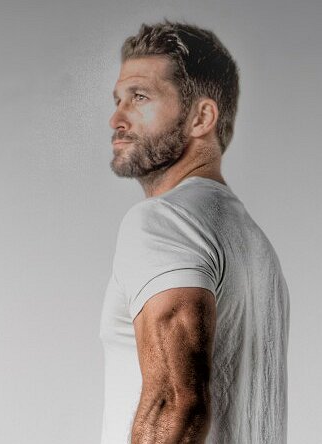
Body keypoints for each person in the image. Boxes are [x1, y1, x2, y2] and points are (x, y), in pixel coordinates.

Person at [99, 20, 290, 444]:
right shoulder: (254, 244)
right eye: (118, 100)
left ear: (201, 117)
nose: (116, 118)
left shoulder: (164, 221)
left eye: (140, 97)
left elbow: (176, 404)